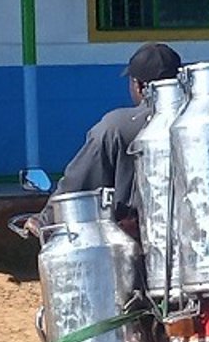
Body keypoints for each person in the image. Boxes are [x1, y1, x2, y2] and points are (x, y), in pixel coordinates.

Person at [39, 41, 182, 227]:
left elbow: (77, 183)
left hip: (135, 244)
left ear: (138, 86)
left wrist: (44, 219)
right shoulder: (199, 124)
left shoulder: (115, 127)